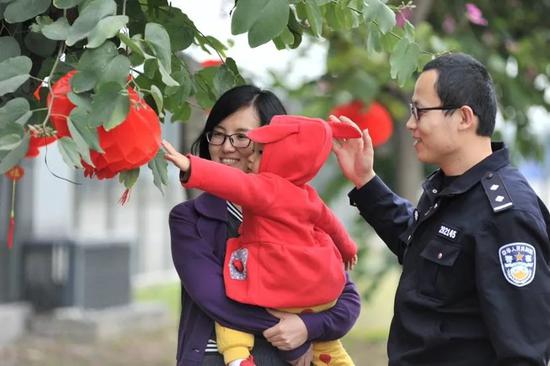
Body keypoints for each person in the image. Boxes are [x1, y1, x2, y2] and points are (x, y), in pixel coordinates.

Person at [332, 52, 550, 366]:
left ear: (463, 117)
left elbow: (524, 355)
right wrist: (365, 181)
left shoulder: (506, 214)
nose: (410, 124)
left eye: (419, 111)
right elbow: (417, 246)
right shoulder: (450, 189)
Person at [167, 85, 361, 366]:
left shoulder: (299, 210)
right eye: (218, 134)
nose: (227, 146)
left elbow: (346, 297)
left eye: (242, 137)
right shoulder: (189, 219)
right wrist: (296, 330)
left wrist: (307, 328)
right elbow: (216, 299)